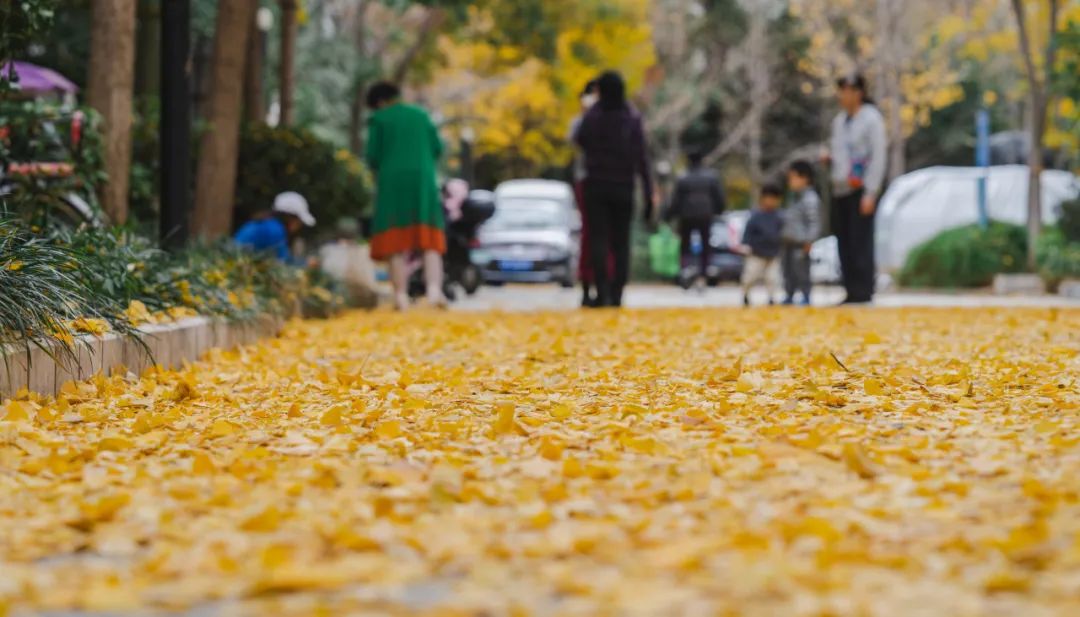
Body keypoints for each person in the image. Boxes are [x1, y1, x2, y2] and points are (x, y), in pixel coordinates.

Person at [574, 71, 655, 308]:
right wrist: (648, 192)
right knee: (621, 241)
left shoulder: (593, 116)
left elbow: (580, 140)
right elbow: (642, 157)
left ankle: (602, 290)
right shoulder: (630, 117)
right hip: (623, 185)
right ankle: (617, 291)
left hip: (596, 184)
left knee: (599, 239)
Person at [364, 81, 446, 311]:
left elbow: (372, 156)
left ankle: (400, 296)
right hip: (423, 180)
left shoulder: (379, 119)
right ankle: (434, 291)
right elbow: (438, 149)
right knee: (430, 240)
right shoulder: (422, 115)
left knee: (394, 242)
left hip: (392, 182)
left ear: (379, 102)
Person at [828, 73, 887, 304]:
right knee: (844, 240)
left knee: (860, 240)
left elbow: (878, 156)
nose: (842, 96)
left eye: (846, 90)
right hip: (840, 187)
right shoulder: (839, 121)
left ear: (858, 92)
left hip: (861, 190)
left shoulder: (871, 119)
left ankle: (864, 290)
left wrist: (871, 191)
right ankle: (850, 290)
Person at [569, 79, 609, 307]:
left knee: (605, 236)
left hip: (605, 180)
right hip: (587, 181)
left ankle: (605, 284)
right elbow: (576, 140)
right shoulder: (582, 120)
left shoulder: (614, 116)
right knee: (590, 234)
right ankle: (587, 282)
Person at [665, 149, 726, 289]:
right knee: (705, 245)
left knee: (685, 245)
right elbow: (719, 197)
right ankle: (703, 273)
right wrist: (719, 210)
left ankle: (686, 269)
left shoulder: (683, 177)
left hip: (686, 215)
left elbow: (676, 200)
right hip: (705, 215)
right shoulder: (711, 176)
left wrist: (668, 215)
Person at [781, 160, 822, 306]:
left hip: (802, 242)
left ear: (804, 178)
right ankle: (789, 294)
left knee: (802, 271)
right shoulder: (793, 197)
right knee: (787, 270)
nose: (789, 182)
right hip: (788, 240)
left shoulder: (810, 199)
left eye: (792, 178)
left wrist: (810, 241)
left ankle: (806, 295)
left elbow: (814, 222)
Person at [233, 191, 315, 261]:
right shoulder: (275, 230)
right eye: (299, 222)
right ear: (290, 217)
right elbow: (283, 263)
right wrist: (306, 264)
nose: (299, 226)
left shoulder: (267, 223)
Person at [740, 184, 784, 307]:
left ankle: (772, 298)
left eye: (774, 199)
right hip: (756, 253)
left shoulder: (779, 216)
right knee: (750, 277)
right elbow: (747, 232)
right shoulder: (756, 216)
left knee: (773, 278)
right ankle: (745, 295)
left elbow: (783, 233)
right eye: (769, 198)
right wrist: (745, 245)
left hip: (773, 253)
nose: (771, 201)